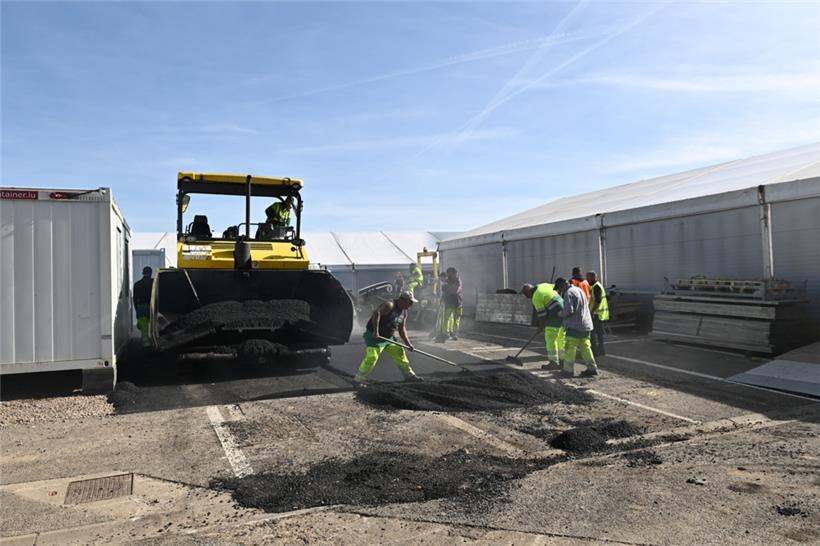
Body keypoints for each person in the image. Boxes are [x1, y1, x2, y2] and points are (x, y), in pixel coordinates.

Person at [354, 291, 423, 384]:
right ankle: (359, 379)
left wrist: (408, 344)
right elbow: (376, 314)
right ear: (402, 300)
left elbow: (402, 329)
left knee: (400, 353)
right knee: (372, 357)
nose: (411, 305)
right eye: (410, 302)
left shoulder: (404, 312)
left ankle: (409, 375)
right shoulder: (389, 305)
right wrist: (376, 331)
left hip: (389, 338)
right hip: (375, 337)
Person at [555, 277, 598, 378]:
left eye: (560, 288)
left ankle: (568, 370)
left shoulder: (568, 293)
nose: (560, 291)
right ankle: (592, 369)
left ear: (564, 285)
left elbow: (569, 310)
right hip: (586, 324)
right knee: (586, 347)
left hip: (575, 325)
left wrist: (560, 314)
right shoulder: (579, 290)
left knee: (570, 347)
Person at [521, 282, 565, 370]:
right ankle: (562, 361)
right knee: (560, 339)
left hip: (554, 315)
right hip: (563, 310)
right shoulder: (544, 285)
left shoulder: (536, 297)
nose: (527, 297)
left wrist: (541, 327)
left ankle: (554, 363)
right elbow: (557, 288)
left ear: (529, 291)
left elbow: (542, 315)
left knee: (550, 339)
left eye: (526, 294)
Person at [437, 267, 463, 342]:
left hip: (456, 303)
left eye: (449, 273)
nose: (448, 275)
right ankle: (448, 333)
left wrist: (446, 288)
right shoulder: (450, 281)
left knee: (452, 319)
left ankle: (451, 334)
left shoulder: (456, 281)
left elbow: (455, 290)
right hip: (455, 302)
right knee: (449, 319)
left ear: (452, 273)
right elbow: (445, 292)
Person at [586, 270, 609, 356]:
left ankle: (595, 352)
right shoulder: (596, 285)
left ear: (593, 277)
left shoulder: (596, 287)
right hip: (599, 314)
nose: (587, 278)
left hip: (596, 314)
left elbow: (598, 301)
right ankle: (601, 352)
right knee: (599, 334)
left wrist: (592, 311)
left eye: (588, 277)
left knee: (592, 334)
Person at [133, 266, 153, 339]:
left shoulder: (137, 284)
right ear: (151, 273)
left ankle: (145, 342)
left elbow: (134, 299)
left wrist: (137, 310)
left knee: (144, 326)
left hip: (141, 308)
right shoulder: (154, 283)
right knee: (153, 326)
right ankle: (153, 341)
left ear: (143, 273)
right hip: (152, 307)